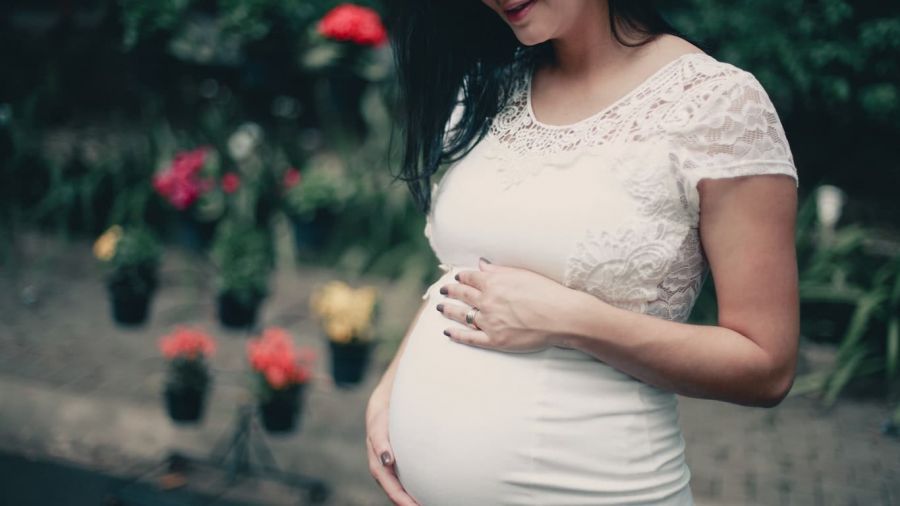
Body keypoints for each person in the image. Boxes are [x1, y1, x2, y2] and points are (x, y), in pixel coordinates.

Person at [366, 0, 799, 504]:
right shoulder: (491, 87)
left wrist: (573, 319)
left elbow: (767, 367)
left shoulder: (718, 105)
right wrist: (388, 390)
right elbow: (460, 275)